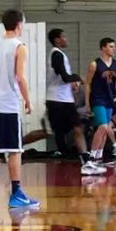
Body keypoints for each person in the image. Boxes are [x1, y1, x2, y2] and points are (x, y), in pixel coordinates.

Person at [0, 9, 39, 209]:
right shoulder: (19, 47)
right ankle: (17, 194)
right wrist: (27, 100)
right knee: (14, 151)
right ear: (19, 25)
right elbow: (20, 77)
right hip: (7, 106)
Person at [46, 28, 104, 175]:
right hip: (57, 101)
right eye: (64, 36)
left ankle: (86, 161)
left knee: (78, 127)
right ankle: (15, 146)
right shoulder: (57, 54)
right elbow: (65, 77)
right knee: (46, 132)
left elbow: (63, 78)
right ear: (57, 39)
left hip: (64, 100)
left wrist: (74, 81)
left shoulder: (59, 54)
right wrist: (79, 78)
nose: (66, 39)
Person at [85, 37, 116, 165]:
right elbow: (87, 84)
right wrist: (87, 103)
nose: (113, 49)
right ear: (103, 48)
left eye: (114, 46)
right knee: (103, 126)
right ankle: (91, 156)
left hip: (110, 99)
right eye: (110, 46)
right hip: (98, 99)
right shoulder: (94, 64)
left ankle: (99, 156)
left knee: (104, 129)